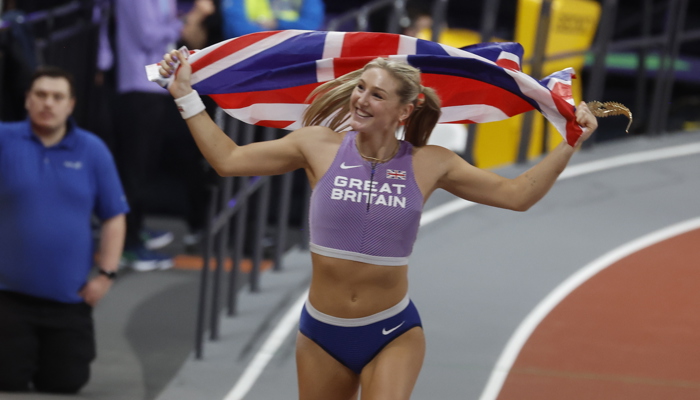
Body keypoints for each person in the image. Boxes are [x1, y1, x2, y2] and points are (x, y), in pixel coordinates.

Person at [157, 51, 597, 398]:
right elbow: (229, 160)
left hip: (392, 330)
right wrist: (186, 96)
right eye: (361, 88)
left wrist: (568, 145)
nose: (360, 99)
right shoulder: (317, 147)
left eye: (376, 95)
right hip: (321, 331)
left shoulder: (431, 163)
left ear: (404, 112)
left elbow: (516, 196)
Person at [0, 66, 128, 393]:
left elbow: (114, 216)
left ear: (70, 105)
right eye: (40, 95)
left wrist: (106, 275)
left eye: (57, 97)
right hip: (8, 298)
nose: (48, 103)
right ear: (27, 100)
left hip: (69, 300)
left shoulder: (93, 150)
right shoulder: (4, 139)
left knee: (65, 383)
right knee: (7, 379)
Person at [114, 0, 216, 269]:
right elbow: (148, 36)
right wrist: (188, 20)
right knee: (134, 170)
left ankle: (135, 230)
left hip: (156, 86)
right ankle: (127, 244)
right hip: (137, 87)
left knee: (145, 167)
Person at [220, 0, 325, 39]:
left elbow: (312, 26)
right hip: (249, 55)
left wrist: (276, 23)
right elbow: (237, 30)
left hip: (295, 54)